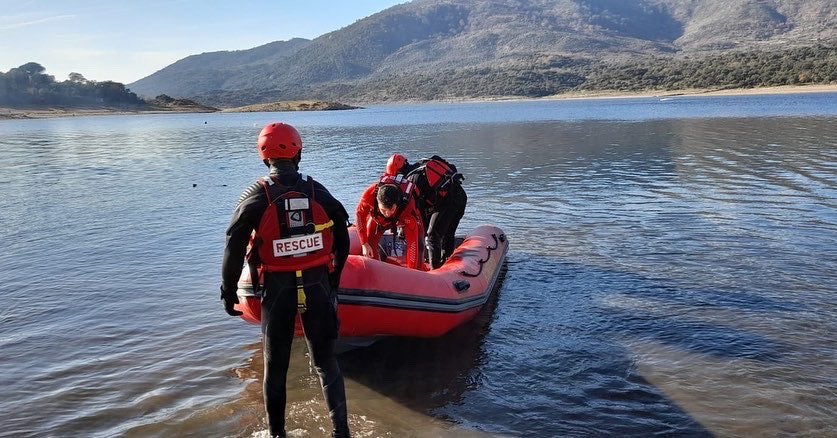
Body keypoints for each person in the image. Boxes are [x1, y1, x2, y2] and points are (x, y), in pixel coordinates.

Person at [220, 122, 351, 438]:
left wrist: (228, 292)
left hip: (277, 291)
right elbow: (343, 235)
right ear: (298, 152)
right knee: (326, 365)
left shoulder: (255, 195)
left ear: (264, 157)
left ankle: (277, 434)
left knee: (275, 370)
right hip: (317, 285)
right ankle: (341, 433)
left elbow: (234, 244)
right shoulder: (316, 189)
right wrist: (333, 280)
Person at [385, 153, 466, 269]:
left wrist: (405, 229)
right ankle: (447, 263)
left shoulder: (412, 181)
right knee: (447, 233)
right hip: (460, 197)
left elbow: (418, 211)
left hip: (449, 202)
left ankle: (436, 270)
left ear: (398, 173)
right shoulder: (422, 167)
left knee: (433, 235)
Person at [355, 173, 426, 270]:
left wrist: (411, 272)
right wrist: (364, 244)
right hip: (378, 219)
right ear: (377, 200)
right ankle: (375, 270)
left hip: (403, 218)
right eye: (384, 210)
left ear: (396, 204)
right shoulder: (369, 195)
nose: (387, 214)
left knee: (419, 245)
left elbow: (412, 245)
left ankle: (421, 271)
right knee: (370, 243)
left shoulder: (407, 206)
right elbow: (359, 215)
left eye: (391, 210)